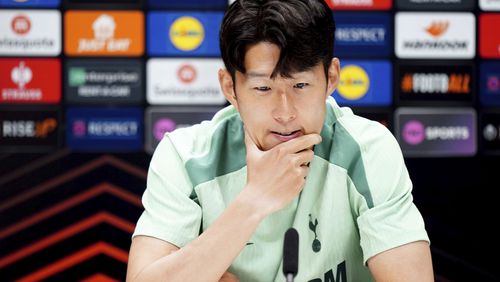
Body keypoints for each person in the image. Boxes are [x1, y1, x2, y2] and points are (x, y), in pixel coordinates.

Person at [126, 0, 434, 281]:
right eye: (263, 89)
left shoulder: (368, 150)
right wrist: (254, 201)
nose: (285, 113)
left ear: (332, 78)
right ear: (230, 87)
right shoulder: (185, 157)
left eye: (300, 84)